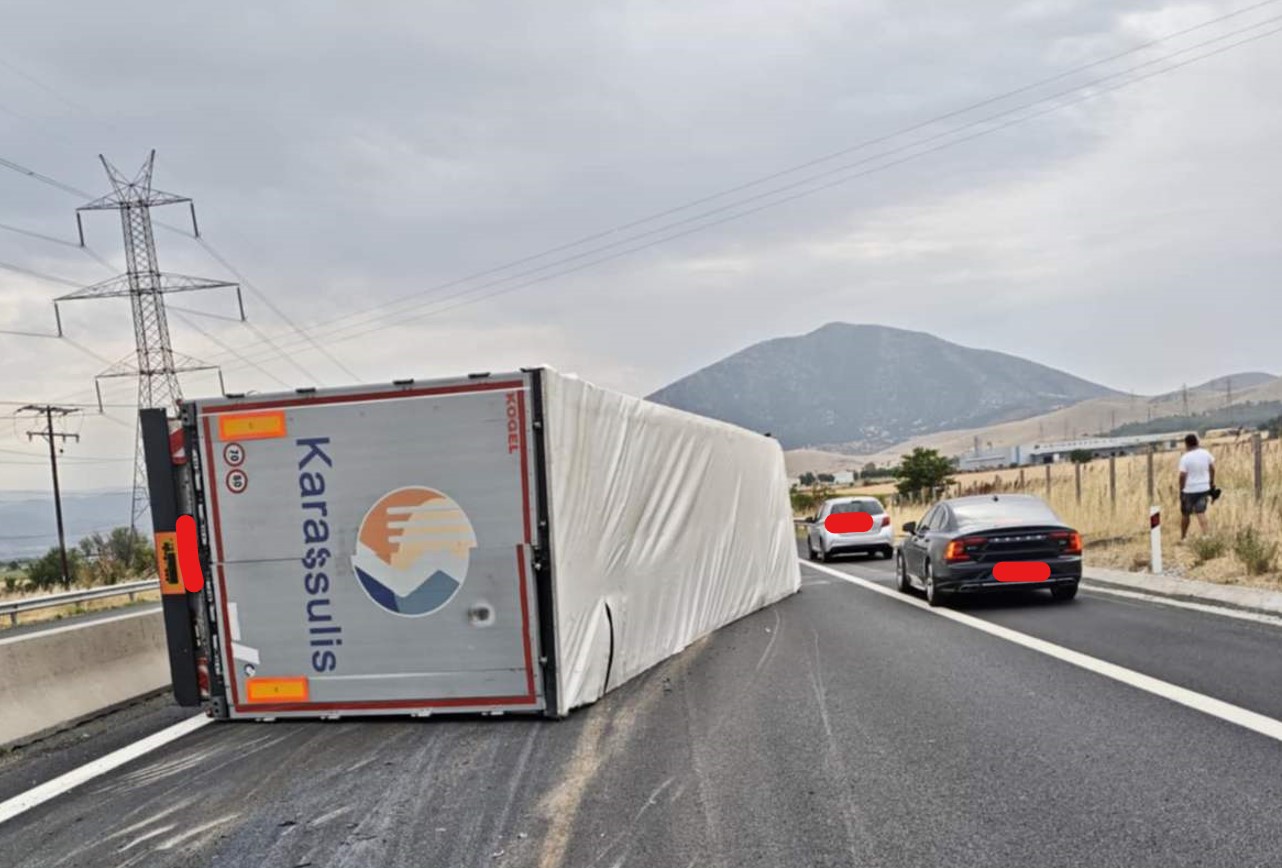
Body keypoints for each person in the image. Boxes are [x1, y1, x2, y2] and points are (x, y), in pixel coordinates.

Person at [1178, 433, 1215, 541]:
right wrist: (1211, 481)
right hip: (1204, 487)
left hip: (1189, 489)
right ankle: (1206, 535)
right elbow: (1212, 468)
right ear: (1197, 442)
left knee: (1186, 513)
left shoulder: (1185, 458)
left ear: (1186, 444)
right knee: (1200, 512)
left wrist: (1181, 488)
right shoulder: (1205, 453)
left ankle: (1184, 537)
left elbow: (1182, 475)